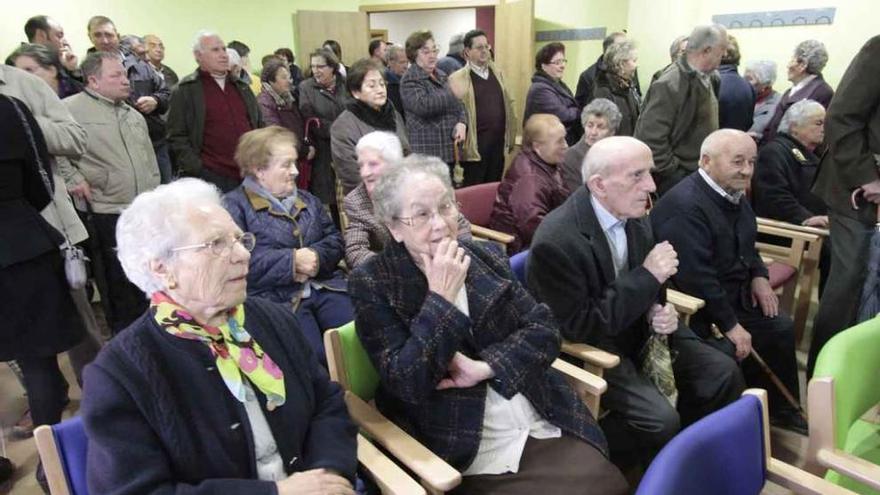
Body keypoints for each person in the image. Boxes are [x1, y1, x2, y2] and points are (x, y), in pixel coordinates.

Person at [348, 155, 629, 494]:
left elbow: (545, 330)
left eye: (446, 207)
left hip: (536, 410)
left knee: (610, 482)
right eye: (421, 214)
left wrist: (486, 367)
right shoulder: (374, 282)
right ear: (394, 228)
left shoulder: (483, 255)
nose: (440, 224)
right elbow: (407, 382)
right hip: (463, 440)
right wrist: (440, 298)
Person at [82, 178, 358, 494]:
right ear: (162, 269)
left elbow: (326, 402)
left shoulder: (273, 318)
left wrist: (329, 474)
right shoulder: (119, 374)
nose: (243, 254)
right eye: (216, 244)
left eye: (240, 239)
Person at [528, 136, 743, 467]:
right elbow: (579, 326)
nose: (652, 185)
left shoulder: (637, 215)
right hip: (595, 349)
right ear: (599, 185)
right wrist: (648, 277)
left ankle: (688, 460)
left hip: (640, 331)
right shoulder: (556, 240)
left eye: (650, 173)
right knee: (659, 421)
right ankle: (614, 465)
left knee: (723, 372)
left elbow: (654, 288)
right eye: (637, 176)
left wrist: (662, 310)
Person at [651, 129, 806, 434]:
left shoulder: (733, 194)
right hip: (698, 309)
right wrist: (732, 325)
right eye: (738, 162)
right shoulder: (685, 206)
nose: (747, 171)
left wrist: (760, 277)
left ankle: (778, 410)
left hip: (735, 295)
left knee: (779, 327)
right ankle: (728, 429)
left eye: (751, 161)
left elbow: (748, 245)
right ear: (706, 161)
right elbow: (696, 278)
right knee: (723, 357)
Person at [0, 93, 86, 488]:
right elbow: (40, 181)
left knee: (39, 368)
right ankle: (50, 465)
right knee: (40, 365)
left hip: (19, 245)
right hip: (19, 244)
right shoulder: (10, 107)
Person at [0, 65, 101, 391]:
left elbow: (74, 138)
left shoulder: (22, 87)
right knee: (26, 351)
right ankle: (44, 398)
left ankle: (100, 393)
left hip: (41, 229)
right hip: (22, 232)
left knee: (77, 324)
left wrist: (21, 125)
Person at [223, 126, 353, 359]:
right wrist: (291, 262)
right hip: (275, 301)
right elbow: (234, 262)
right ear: (259, 170)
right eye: (286, 164)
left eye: (295, 162)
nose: (295, 171)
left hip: (324, 286)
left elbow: (335, 239)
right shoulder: (233, 207)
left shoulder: (307, 199)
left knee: (359, 331)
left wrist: (316, 256)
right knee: (311, 356)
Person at [64, 51, 160, 335]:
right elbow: (56, 154)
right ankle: (126, 340)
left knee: (146, 281)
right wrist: (74, 178)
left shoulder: (132, 114)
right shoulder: (70, 110)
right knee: (118, 288)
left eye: (125, 74)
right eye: (116, 75)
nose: (125, 81)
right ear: (93, 81)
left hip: (141, 211)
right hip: (106, 211)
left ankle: (153, 335)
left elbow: (149, 158)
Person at [808, 35, 880, 378]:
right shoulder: (878, 48)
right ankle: (826, 379)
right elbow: (842, 117)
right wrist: (868, 177)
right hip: (858, 190)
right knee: (850, 285)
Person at [343, 131, 470, 268]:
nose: (365, 173)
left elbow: (461, 225)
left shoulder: (424, 186)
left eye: (373, 164)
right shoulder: (357, 201)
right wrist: (397, 269)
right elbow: (355, 250)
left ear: (395, 165)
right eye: (361, 165)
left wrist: (456, 254)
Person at [635, 24, 727, 196]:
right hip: (679, 181)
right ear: (706, 50)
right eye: (721, 51)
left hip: (697, 174)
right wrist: (676, 174)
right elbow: (651, 139)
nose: (725, 56)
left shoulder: (711, 78)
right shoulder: (670, 84)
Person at [167, 30, 262, 192]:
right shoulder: (185, 90)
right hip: (211, 176)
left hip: (249, 173)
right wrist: (198, 168)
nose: (223, 54)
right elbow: (176, 136)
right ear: (198, 56)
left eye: (224, 49)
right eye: (215, 50)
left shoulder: (242, 87)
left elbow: (258, 124)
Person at [752, 99, 830, 294]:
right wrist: (807, 219)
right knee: (839, 251)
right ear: (795, 127)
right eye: (818, 123)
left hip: (813, 227)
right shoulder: (775, 152)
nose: (824, 128)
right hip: (785, 231)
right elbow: (774, 198)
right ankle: (831, 318)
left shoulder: (812, 153)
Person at [86, 16, 172, 184]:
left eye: (109, 35)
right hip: (113, 149)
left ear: (117, 36)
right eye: (98, 35)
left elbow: (166, 92)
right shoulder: (87, 70)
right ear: (90, 37)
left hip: (153, 142)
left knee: (165, 195)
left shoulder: (140, 64)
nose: (104, 40)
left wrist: (155, 100)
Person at [488, 114, 569, 254]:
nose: (566, 146)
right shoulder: (529, 179)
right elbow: (534, 228)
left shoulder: (549, 163)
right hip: (521, 249)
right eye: (559, 141)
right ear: (537, 146)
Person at [331, 58, 409, 195]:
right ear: (356, 92)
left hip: (401, 191)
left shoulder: (394, 115)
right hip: (366, 196)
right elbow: (350, 174)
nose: (380, 90)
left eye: (382, 84)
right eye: (372, 86)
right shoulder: (343, 126)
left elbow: (406, 152)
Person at [449, 29, 517, 186]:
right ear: (467, 51)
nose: (485, 51)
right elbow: (454, 112)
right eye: (479, 47)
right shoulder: (457, 79)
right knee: (474, 193)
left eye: (487, 46)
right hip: (474, 152)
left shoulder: (499, 74)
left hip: (498, 148)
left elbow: (509, 105)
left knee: (493, 191)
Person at [400, 30, 467, 169]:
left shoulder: (441, 75)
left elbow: (460, 105)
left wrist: (462, 122)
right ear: (414, 55)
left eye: (434, 50)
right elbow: (424, 106)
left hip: (450, 153)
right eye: (426, 52)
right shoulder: (410, 79)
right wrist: (453, 92)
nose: (433, 56)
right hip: (427, 158)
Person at [299, 47, 350, 211]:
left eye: (320, 66)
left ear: (332, 67)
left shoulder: (346, 85)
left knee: (352, 196)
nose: (315, 71)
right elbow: (310, 118)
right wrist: (339, 130)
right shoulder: (306, 87)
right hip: (324, 151)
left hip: (348, 148)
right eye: (313, 66)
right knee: (333, 200)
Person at [762, 40, 834, 144]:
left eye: (792, 59)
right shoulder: (790, 92)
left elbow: (814, 136)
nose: (788, 65)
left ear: (803, 65)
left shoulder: (822, 93)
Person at [524, 42, 582, 145]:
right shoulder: (540, 89)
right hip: (545, 147)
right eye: (557, 62)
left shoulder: (558, 84)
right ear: (543, 66)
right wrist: (580, 110)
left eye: (563, 61)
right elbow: (563, 115)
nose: (562, 66)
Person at [257, 59, 312, 163]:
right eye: (283, 77)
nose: (289, 81)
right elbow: (276, 134)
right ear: (271, 80)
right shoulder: (264, 102)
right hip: (280, 158)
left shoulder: (289, 97)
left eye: (289, 77)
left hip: (295, 155)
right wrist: (304, 151)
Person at [561, 98, 621, 193]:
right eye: (590, 125)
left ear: (612, 132)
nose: (593, 132)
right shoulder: (571, 157)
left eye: (600, 127)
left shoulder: (620, 153)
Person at [576, 32, 641, 109]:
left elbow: (637, 96)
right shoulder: (590, 77)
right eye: (622, 47)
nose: (626, 49)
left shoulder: (628, 74)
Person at [591, 39, 640, 136]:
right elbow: (602, 130)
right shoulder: (603, 91)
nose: (636, 65)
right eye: (633, 61)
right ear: (621, 64)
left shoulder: (628, 86)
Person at [7, 43, 83, 98]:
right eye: (19, 73)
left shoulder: (79, 93)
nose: (22, 78)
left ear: (52, 71)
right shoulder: (22, 100)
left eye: (29, 70)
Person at [717, 35, 755, 132]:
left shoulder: (711, 83)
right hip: (738, 141)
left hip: (713, 142)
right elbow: (749, 122)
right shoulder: (748, 86)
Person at [744, 60, 780, 139]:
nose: (743, 82)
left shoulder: (777, 104)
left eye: (749, 79)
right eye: (744, 77)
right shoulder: (742, 95)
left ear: (765, 84)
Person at [383, 44, 408, 121]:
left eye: (407, 62)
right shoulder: (385, 84)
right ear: (390, 62)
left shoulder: (407, 81)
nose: (405, 66)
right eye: (401, 62)